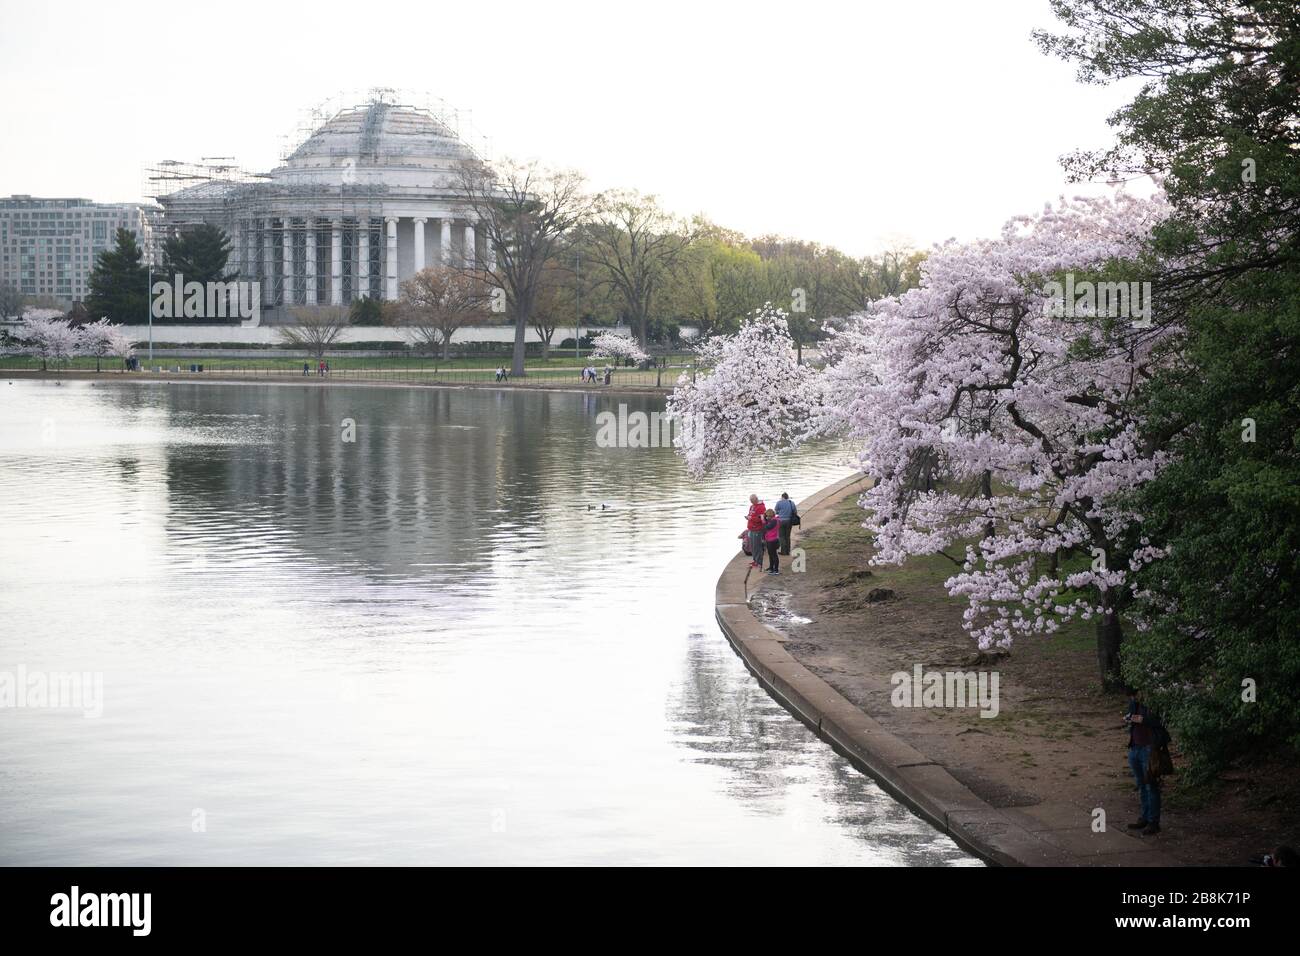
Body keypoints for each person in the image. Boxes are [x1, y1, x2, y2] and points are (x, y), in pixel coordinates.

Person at [1124, 687, 1166, 836]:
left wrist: (1142, 719)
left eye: (1135, 695)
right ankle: (1145, 817)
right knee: (1142, 785)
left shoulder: (1153, 704)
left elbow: (1159, 722)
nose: (1133, 698)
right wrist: (1129, 718)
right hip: (1135, 746)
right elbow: (1130, 716)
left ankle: (1153, 821)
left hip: (1149, 748)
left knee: (1151, 786)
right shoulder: (1134, 704)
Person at [745, 494, 766, 570]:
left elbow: (761, 519)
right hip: (751, 528)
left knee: (757, 546)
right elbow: (751, 514)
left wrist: (751, 518)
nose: (751, 502)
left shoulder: (761, 507)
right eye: (750, 501)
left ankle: (759, 562)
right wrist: (748, 517)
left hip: (757, 529)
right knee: (753, 546)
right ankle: (755, 560)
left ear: (756, 499)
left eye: (752, 501)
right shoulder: (752, 506)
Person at [762, 508, 781, 573]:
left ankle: (776, 570)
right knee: (770, 554)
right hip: (770, 539)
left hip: (772, 540)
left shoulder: (774, 521)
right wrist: (766, 520)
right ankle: (771, 567)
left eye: (767, 515)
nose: (766, 517)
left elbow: (767, 527)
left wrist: (763, 521)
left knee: (774, 555)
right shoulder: (773, 520)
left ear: (770, 515)